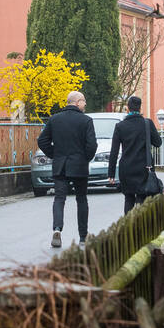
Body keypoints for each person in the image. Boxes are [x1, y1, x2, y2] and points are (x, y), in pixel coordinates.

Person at [37, 90, 97, 248]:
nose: (85, 104)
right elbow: (92, 145)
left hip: (60, 165)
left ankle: (57, 229)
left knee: (59, 199)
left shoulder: (55, 119)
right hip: (79, 166)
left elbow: (42, 140)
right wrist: (85, 159)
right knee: (81, 199)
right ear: (77, 102)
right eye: (83, 101)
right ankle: (83, 236)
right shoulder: (86, 121)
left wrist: (55, 155)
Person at [107, 95, 162, 214]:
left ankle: (128, 225)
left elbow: (114, 151)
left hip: (126, 168)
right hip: (144, 167)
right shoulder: (147, 123)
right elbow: (158, 143)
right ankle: (141, 225)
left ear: (128, 108)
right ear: (140, 108)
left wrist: (111, 173)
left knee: (128, 197)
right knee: (143, 196)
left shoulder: (120, 126)